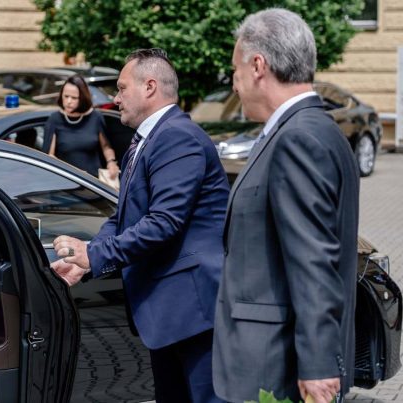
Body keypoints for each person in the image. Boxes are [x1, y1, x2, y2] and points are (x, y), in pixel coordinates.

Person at [51, 48, 229, 403]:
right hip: (170, 314)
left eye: (121, 88)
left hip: (194, 312)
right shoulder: (147, 140)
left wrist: (94, 254)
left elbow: (164, 222)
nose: (115, 99)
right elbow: (123, 217)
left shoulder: (177, 137)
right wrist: (86, 259)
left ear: (150, 87)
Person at [212, 9, 360, 403]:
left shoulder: (299, 138)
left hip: (276, 369)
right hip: (272, 360)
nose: (235, 83)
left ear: (258, 66)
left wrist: (318, 366)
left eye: (235, 70)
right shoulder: (310, 129)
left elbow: (313, 260)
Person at [41, 75, 119, 180]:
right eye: (66, 96)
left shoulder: (95, 117)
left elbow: (106, 146)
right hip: (67, 182)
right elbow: (49, 156)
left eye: (74, 98)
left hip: (93, 183)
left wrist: (111, 162)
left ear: (83, 98)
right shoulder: (55, 119)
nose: (68, 101)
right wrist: (74, 172)